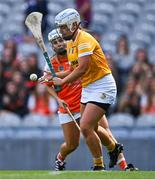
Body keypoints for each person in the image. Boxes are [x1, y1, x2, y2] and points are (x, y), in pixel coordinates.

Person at [40, 29, 137, 171]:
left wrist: (59, 79)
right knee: (72, 144)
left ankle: (122, 166)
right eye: (55, 42)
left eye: (61, 40)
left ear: (66, 41)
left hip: (88, 99)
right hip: (67, 107)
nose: (59, 44)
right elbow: (48, 85)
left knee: (105, 130)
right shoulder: (51, 64)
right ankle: (60, 158)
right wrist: (58, 99)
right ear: (52, 46)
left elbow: (79, 71)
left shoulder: (77, 54)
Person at [52, 8, 124, 171]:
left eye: (64, 27)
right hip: (89, 86)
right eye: (60, 27)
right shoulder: (71, 43)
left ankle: (99, 166)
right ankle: (113, 148)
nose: (61, 31)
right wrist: (53, 75)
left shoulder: (84, 40)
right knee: (90, 127)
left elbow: (82, 69)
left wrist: (62, 81)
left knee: (85, 126)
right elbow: (73, 69)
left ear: (74, 24)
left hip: (102, 85)